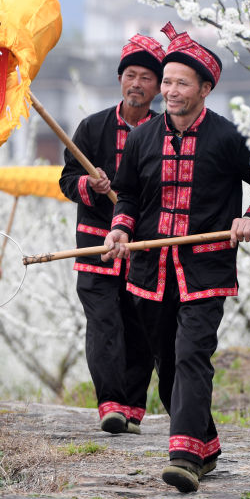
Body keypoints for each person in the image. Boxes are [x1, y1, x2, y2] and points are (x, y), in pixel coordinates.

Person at [103, 23, 250, 493]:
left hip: (205, 270)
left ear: (205, 88)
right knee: (167, 364)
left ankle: (183, 457)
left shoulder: (227, 137)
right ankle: (207, 445)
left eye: (182, 83)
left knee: (191, 356)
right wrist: (121, 227)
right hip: (150, 272)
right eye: (167, 82)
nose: (170, 91)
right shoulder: (142, 139)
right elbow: (127, 195)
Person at [58, 34, 162, 435]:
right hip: (97, 244)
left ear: (158, 87)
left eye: (146, 78)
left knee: (141, 326)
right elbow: (66, 180)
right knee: (103, 322)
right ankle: (110, 404)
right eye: (130, 75)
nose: (136, 84)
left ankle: (134, 405)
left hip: (144, 245)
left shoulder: (164, 132)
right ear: (120, 80)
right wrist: (90, 185)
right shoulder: (91, 128)